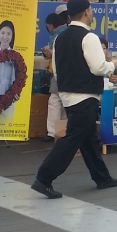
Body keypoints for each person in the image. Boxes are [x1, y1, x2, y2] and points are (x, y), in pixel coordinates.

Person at [31, 0, 117, 200]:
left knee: (89, 138)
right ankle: (44, 178)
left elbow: (56, 69)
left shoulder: (59, 38)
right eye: (91, 9)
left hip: (68, 95)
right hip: (85, 95)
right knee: (73, 138)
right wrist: (114, 64)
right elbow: (99, 68)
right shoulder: (89, 37)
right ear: (87, 12)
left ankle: (102, 177)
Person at [41, 13, 68, 142]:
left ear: (50, 25)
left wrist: (50, 53)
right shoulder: (68, 31)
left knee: (54, 101)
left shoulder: (57, 35)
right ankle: (62, 130)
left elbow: (58, 54)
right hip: (68, 73)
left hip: (59, 73)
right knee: (64, 102)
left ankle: (52, 132)